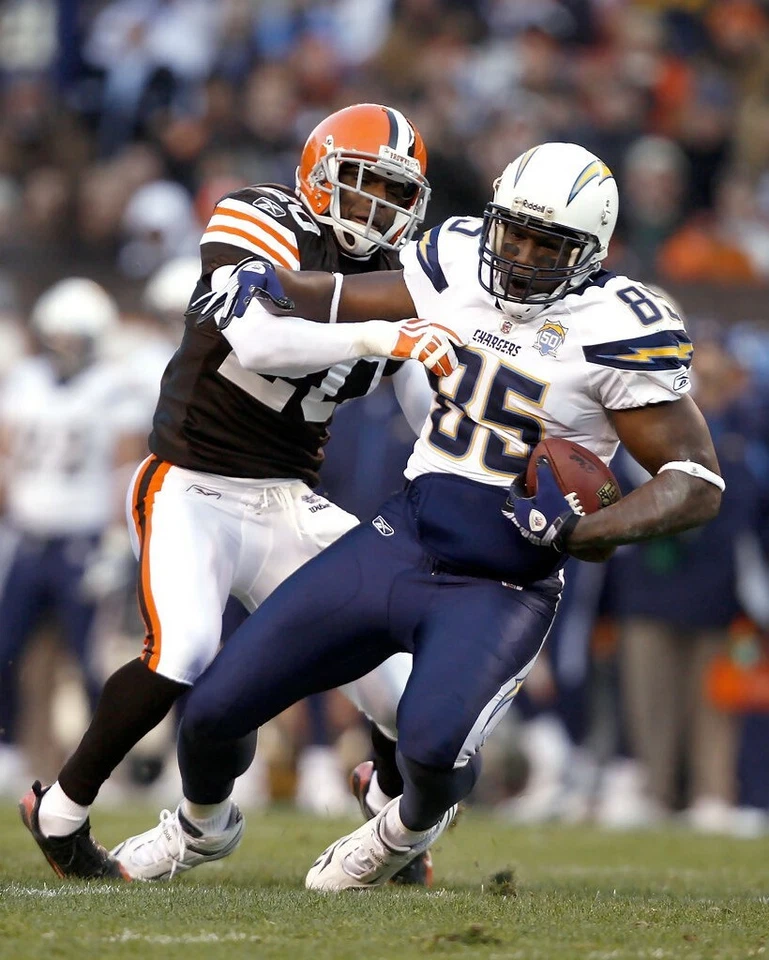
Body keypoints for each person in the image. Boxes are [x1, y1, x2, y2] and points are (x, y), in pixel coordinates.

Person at [166, 140, 723, 890]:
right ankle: (194, 833)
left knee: (429, 749)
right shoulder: (459, 258)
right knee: (212, 711)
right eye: (513, 231)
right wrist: (258, 281)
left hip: (502, 581)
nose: (520, 253)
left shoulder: (617, 324)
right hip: (404, 536)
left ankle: (402, 831)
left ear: (588, 252)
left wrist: (587, 531)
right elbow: (341, 298)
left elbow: (694, 479)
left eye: (545, 243)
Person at [20, 103, 458, 882]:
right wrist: (379, 333)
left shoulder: (408, 278)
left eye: (394, 196)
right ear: (317, 177)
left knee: (403, 691)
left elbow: (432, 420)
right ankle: (61, 812)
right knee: (182, 648)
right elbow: (256, 338)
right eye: (360, 186)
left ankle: (387, 816)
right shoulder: (260, 216)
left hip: (286, 498)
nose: (375, 210)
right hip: (190, 482)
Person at [0, 279, 150, 795]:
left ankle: (98, 764)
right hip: (28, 537)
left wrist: (114, 542)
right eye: (57, 336)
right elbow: (6, 458)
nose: (64, 347)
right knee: (4, 649)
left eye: (75, 337)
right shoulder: (25, 380)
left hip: (82, 542)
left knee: (93, 662)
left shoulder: (114, 386)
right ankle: (8, 753)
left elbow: (123, 467)